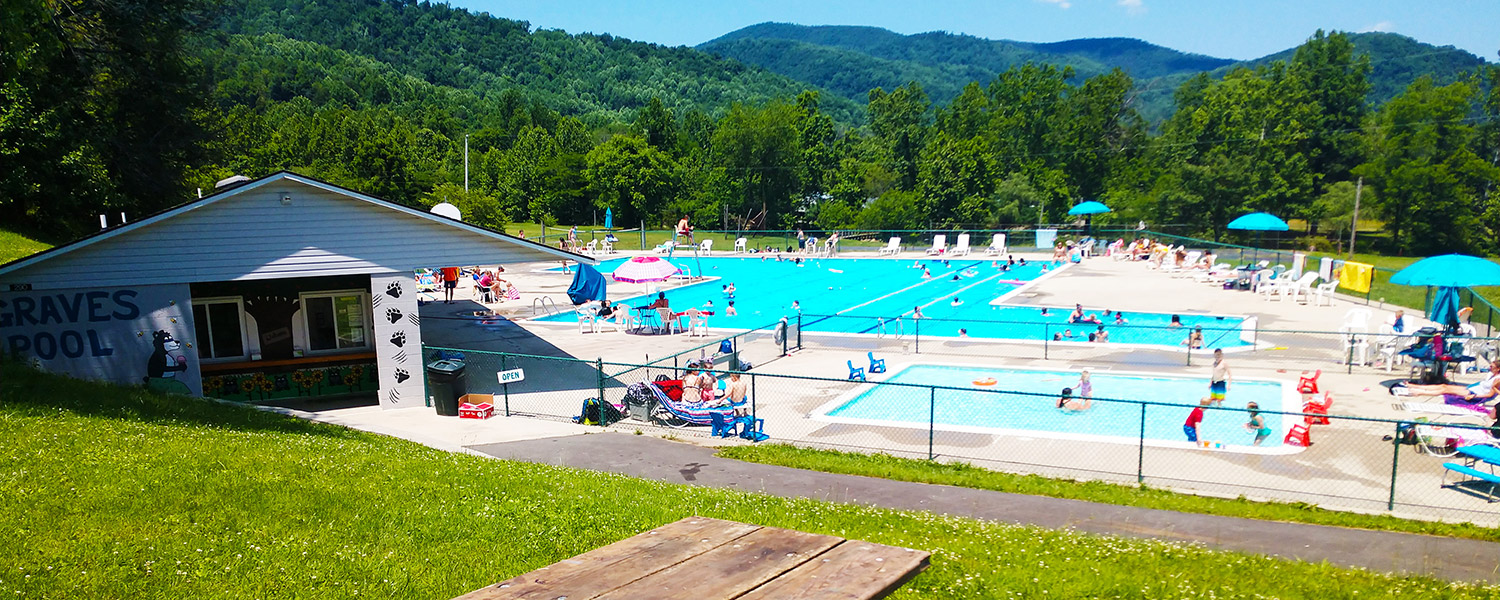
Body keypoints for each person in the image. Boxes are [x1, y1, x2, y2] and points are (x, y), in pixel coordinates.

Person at [1393, 360, 1500, 404]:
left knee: (1445, 389)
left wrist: (1475, 396)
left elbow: (1490, 394)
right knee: (1444, 385)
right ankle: (1413, 386)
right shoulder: (1492, 375)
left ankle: (1418, 392)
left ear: (1498, 369)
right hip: (1473, 389)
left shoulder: (1497, 379)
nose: (1489, 367)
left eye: (1492, 367)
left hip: (1475, 394)